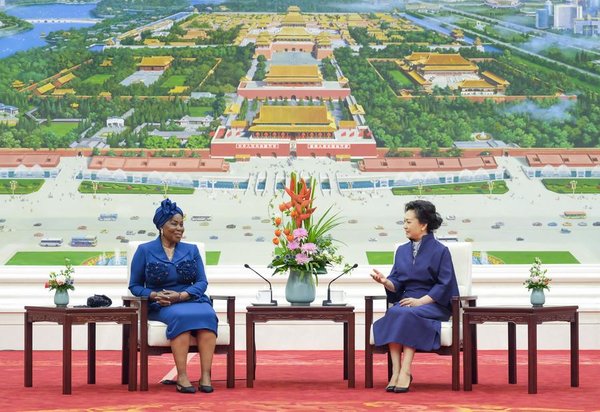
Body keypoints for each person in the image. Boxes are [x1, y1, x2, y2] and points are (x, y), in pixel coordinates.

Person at [129, 198, 218, 394]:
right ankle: (183, 376)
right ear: (162, 226)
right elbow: (134, 286)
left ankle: (205, 375)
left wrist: (182, 295)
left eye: (181, 224)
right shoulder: (144, 251)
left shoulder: (191, 250)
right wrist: (153, 295)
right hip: (160, 305)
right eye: (174, 223)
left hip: (190, 299)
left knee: (208, 315)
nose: (180, 228)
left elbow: (202, 283)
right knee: (180, 316)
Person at [370, 200, 459, 393]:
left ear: (423, 224)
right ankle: (396, 371)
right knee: (395, 312)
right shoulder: (402, 250)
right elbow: (397, 282)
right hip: (408, 301)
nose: (404, 226)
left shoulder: (441, 251)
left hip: (433, 303)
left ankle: (406, 370)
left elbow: (445, 284)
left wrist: (420, 301)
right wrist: (385, 282)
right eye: (404, 222)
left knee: (407, 313)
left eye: (409, 222)